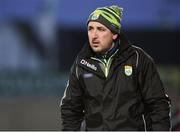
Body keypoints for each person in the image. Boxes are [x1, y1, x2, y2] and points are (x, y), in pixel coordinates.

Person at [60, 5, 171, 131]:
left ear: (114, 34)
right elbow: (70, 109)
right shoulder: (81, 64)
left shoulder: (138, 59)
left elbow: (158, 104)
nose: (94, 35)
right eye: (90, 29)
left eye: (101, 29)